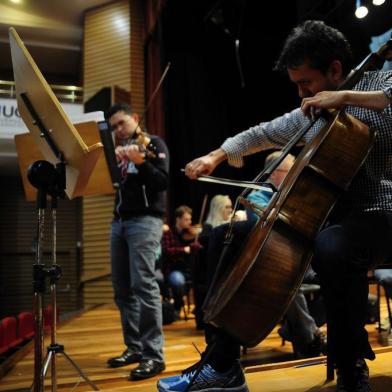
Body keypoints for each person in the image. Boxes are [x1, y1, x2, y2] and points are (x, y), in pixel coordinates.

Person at [158, 20, 392, 392]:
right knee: (232, 233)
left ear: (334, 70)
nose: (302, 93)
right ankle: (222, 362)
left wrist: (343, 97)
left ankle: (350, 365)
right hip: (326, 217)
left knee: (334, 247)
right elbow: (263, 132)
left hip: (381, 212)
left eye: (306, 83)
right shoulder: (315, 111)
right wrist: (215, 155)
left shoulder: (376, 88)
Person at [105, 103, 169, 380]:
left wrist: (141, 162)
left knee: (144, 284)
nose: (118, 130)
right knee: (121, 289)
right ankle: (134, 348)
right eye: (114, 127)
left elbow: (162, 182)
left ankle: (154, 355)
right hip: (118, 222)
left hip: (145, 221)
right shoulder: (118, 152)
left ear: (134, 118)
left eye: (121, 123)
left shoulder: (153, 143)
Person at [192, 194, 233, 328]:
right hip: (211, 274)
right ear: (218, 208)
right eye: (227, 207)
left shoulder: (229, 225)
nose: (230, 210)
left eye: (231, 207)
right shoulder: (209, 228)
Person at [161, 205, 196, 318]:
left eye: (190, 219)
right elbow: (166, 251)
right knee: (178, 281)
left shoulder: (190, 234)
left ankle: (199, 308)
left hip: (189, 269)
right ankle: (178, 307)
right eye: (186, 219)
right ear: (178, 219)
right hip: (174, 269)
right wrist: (183, 250)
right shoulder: (168, 233)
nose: (190, 222)